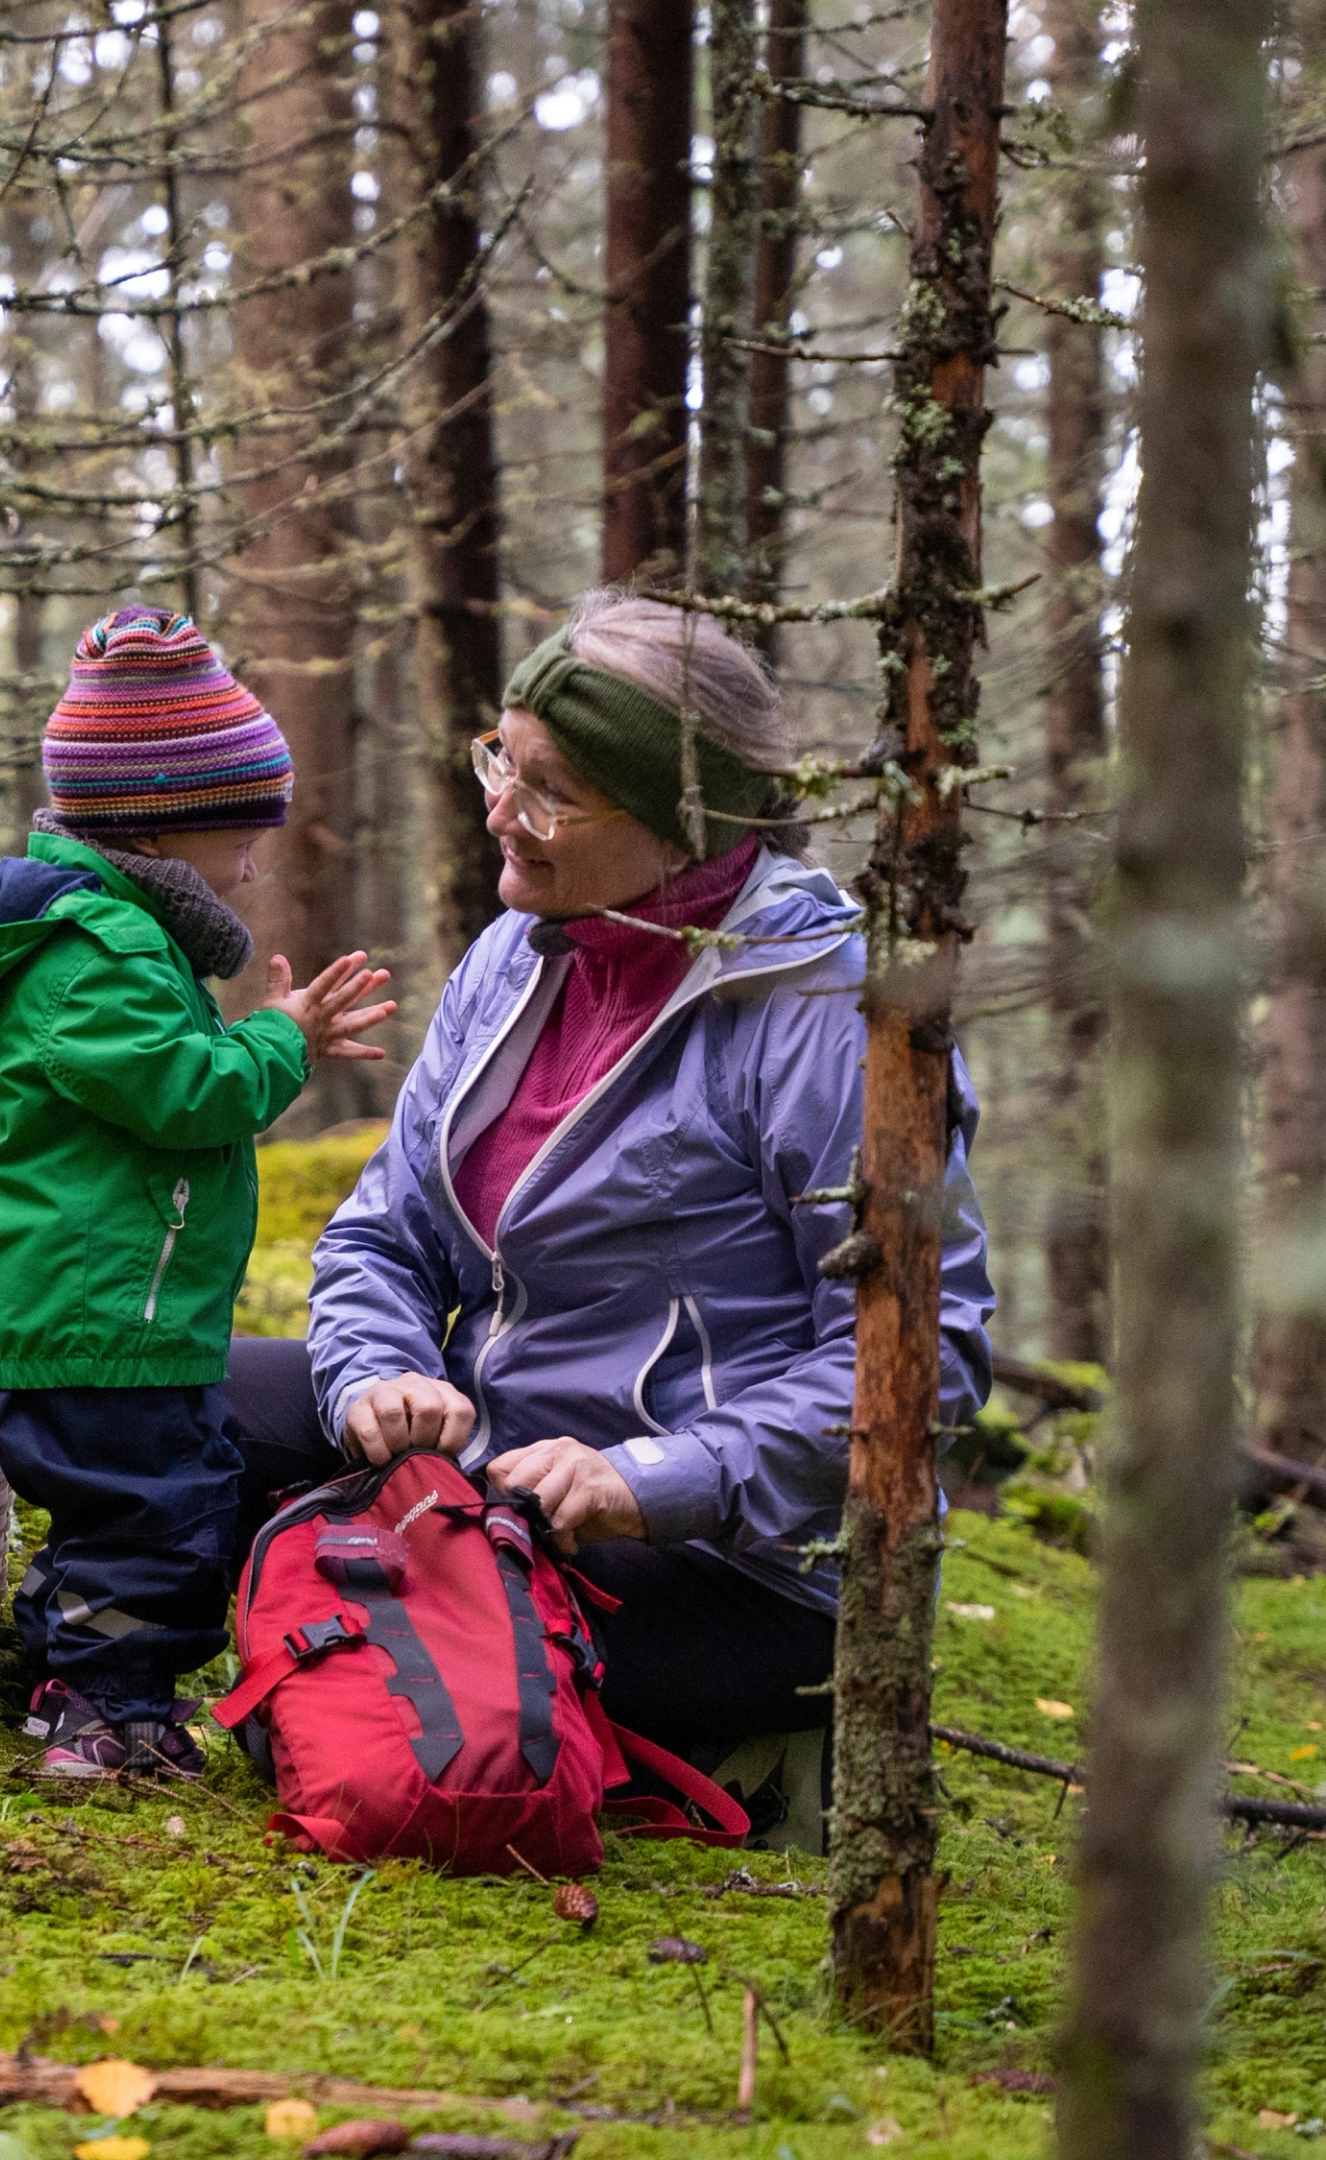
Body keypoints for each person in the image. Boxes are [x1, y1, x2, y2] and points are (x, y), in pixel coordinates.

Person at [223, 590, 996, 1775]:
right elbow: (383, 1231)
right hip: (497, 1473)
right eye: (501, 762)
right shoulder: (523, 947)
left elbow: (918, 1358)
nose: (500, 812)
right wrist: (381, 1373)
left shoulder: (834, 1016)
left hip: (750, 1566)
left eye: (552, 794)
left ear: (684, 827)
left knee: (419, 1632)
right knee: (164, 1402)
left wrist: (651, 1476)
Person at [0, 605, 395, 1779]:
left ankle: (65, 1681)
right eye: (240, 836)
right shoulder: (97, 955)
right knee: (159, 1524)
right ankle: (104, 1713)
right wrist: (279, 1040)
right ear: (162, 826)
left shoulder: (114, 945)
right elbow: (190, 1095)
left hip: (103, 1317)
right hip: (101, 1324)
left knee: (124, 1515)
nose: (252, 864)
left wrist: (266, 1037)